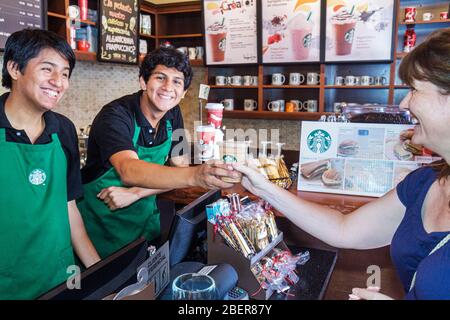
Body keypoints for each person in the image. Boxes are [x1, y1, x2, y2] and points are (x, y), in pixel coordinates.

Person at [235, 28, 450, 300]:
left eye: (415, 89)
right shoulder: (424, 183)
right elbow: (343, 229)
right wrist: (264, 188)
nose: (405, 102)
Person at [78, 47, 239, 259]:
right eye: (160, 77)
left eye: (176, 82)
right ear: (144, 82)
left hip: (145, 228)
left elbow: (178, 170)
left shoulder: (173, 114)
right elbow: (128, 169)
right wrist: (196, 175)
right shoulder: (116, 115)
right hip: (101, 233)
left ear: (183, 94)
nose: (167, 87)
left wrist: (135, 193)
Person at [0, 29, 100, 299]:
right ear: (14, 68)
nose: (59, 82)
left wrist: (101, 276)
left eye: (65, 73)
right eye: (48, 69)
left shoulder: (63, 130)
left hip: (59, 276)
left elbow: (70, 210)